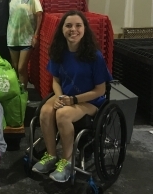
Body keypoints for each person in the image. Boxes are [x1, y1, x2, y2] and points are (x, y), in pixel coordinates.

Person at [32, 10, 112, 183]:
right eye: (68, 25)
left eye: (78, 25)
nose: (73, 29)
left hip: (90, 101)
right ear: (62, 29)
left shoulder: (94, 56)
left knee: (62, 114)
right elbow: (55, 81)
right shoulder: (59, 51)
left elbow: (100, 90)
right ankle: (51, 155)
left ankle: (67, 162)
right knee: (45, 111)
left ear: (84, 29)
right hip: (67, 95)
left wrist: (74, 100)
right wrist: (60, 98)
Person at [6, 0, 43, 91]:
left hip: (26, 38)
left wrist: (36, 35)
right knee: (15, 67)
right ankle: (17, 92)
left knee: (22, 68)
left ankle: (23, 93)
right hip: (12, 37)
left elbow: (39, 15)